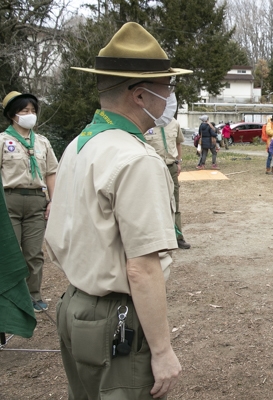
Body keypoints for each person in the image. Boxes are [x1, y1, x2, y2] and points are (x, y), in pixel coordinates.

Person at [45, 22, 191, 399]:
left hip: (75, 306)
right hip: (114, 320)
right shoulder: (135, 159)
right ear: (141, 96)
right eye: (167, 88)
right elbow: (142, 267)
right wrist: (161, 350)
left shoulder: (79, 145)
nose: (170, 97)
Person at [1, 91, 58, 312]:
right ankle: (12, 300)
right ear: (12, 115)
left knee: (34, 253)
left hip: (36, 201)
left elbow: (51, 172)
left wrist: (53, 201)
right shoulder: (3, 141)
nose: (30, 115)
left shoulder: (42, 142)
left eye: (33, 111)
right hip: (9, 201)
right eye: (24, 111)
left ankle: (34, 296)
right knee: (11, 252)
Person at [144, 118, 191, 249]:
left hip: (171, 167)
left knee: (174, 202)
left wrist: (179, 161)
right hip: (152, 167)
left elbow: (178, 143)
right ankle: (156, 239)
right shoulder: (146, 122)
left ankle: (177, 237)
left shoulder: (174, 123)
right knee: (153, 203)